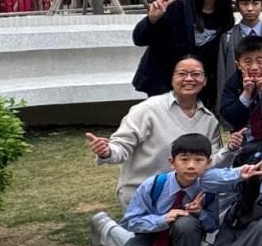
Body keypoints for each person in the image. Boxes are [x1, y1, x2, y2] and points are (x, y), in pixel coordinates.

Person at [87, 56, 239, 215]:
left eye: (196, 74)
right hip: (141, 192)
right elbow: (122, 145)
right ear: (172, 78)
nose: (189, 79)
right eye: (182, 74)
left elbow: (211, 163)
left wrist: (230, 149)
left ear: (205, 80)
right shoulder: (147, 109)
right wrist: (107, 151)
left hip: (184, 195)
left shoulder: (209, 120)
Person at [104, 132, 218, 246]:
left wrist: (199, 213)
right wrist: (163, 219)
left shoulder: (208, 189)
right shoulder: (154, 184)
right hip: (152, 236)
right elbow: (130, 221)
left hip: (187, 235)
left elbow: (213, 225)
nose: (191, 166)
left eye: (198, 160)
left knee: (185, 223)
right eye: (184, 159)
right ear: (172, 162)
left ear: (208, 162)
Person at [132, 0, 235, 108]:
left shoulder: (225, 14)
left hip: (197, 87)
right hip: (164, 84)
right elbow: (139, 39)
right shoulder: (176, 5)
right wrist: (152, 19)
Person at [215, 0, 262, 104]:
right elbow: (222, 72)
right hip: (236, 95)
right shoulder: (227, 36)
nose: (250, 8)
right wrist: (223, 104)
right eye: (244, 4)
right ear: (237, 6)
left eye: (255, 3)